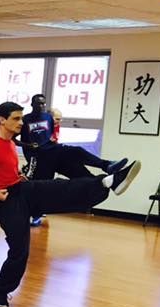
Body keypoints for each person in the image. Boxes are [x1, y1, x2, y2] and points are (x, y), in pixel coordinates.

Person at [0, 101, 139, 307]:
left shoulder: (10, 142)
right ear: (2, 120)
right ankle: (0, 291)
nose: (21, 123)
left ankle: (107, 182)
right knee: (20, 250)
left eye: (21, 118)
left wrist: (18, 176)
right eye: (16, 119)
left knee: (59, 188)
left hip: (21, 189)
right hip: (5, 201)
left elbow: (2, 169)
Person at [21, 94, 126, 226]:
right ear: (32, 104)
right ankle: (36, 215)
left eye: (43, 103)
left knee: (78, 161)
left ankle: (108, 170)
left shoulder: (48, 117)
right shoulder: (25, 120)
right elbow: (15, 138)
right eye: (38, 103)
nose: (41, 106)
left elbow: (49, 137)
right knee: (43, 188)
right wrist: (28, 147)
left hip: (53, 152)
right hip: (39, 158)